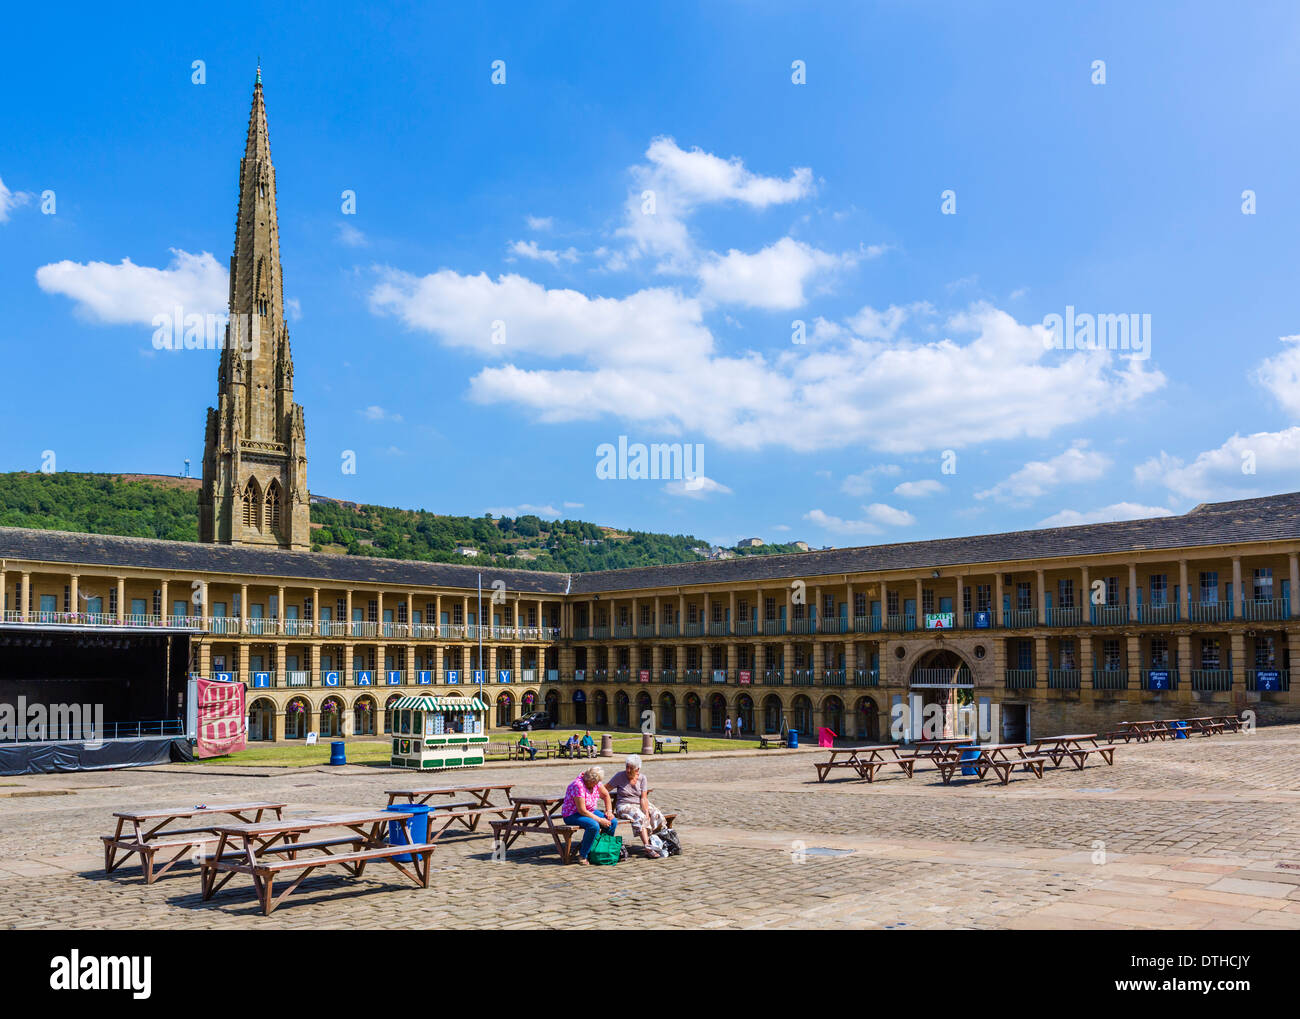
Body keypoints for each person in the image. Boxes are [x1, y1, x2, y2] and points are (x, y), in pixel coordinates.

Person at [606, 754, 667, 858]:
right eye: (627, 767)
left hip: (638, 803)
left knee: (657, 815)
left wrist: (647, 812)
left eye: (631, 768)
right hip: (624, 805)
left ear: (637, 769)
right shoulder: (619, 776)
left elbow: (643, 798)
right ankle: (648, 848)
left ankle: (658, 842)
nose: (628, 770)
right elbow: (605, 789)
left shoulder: (642, 778)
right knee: (640, 817)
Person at [561, 766, 617, 864]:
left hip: (589, 811)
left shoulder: (596, 782)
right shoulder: (578, 785)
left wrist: (609, 811)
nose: (595, 785)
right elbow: (582, 810)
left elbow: (605, 795)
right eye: (593, 784)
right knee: (593, 825)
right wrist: (600, 820)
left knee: (612, 822)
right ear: (589, 780)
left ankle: (601, 850)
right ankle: (583, 855)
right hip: (572, 814)